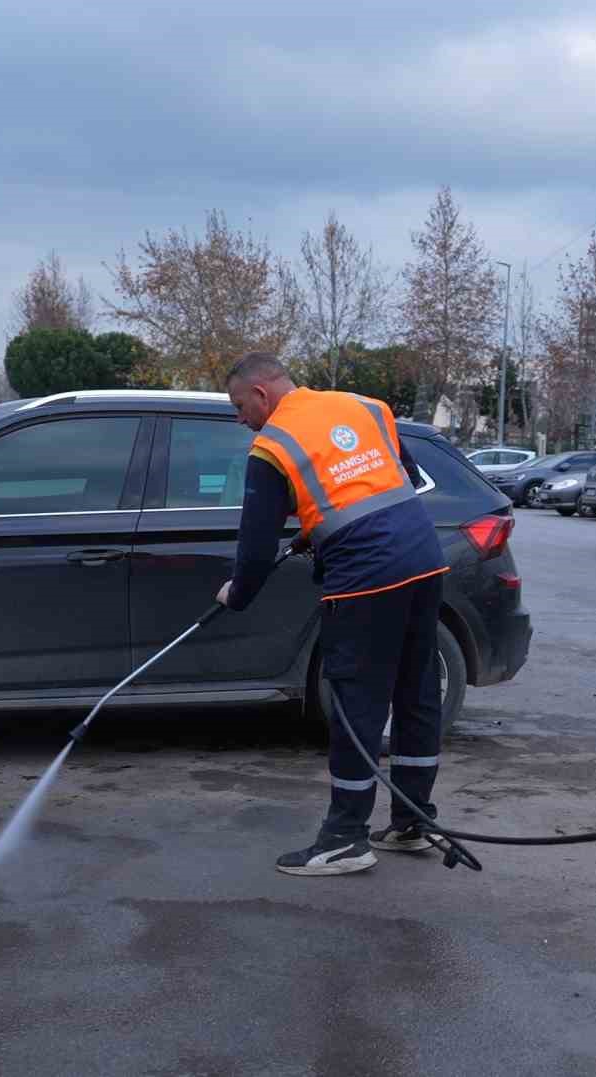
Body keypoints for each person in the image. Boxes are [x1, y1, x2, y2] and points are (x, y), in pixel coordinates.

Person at [215, 353, 449, 876]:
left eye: (239, 406)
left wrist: (237, 595)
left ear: (261, 395)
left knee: (356, 705)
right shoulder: (365, 407)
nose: (239, 418)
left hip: (366, 578)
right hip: (424, 562)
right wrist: (318, 526)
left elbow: (255, 549)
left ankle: (345, 839)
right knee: (415, 694)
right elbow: (403, 479)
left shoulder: (271, 446)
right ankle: (414, 821)